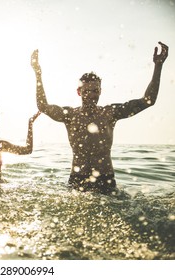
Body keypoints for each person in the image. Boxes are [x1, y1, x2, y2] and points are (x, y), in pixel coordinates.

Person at [31, 42, 169, 194]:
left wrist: (158, 66)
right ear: (79, 91)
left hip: (105, 179)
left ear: (100, 91)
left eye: (95, 91)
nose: (91, 95)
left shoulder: (110, 113)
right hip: (78, 179)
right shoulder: (70, 116)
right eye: (87, 91)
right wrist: (38, 73)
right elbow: (43, 106)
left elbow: (148, 100)